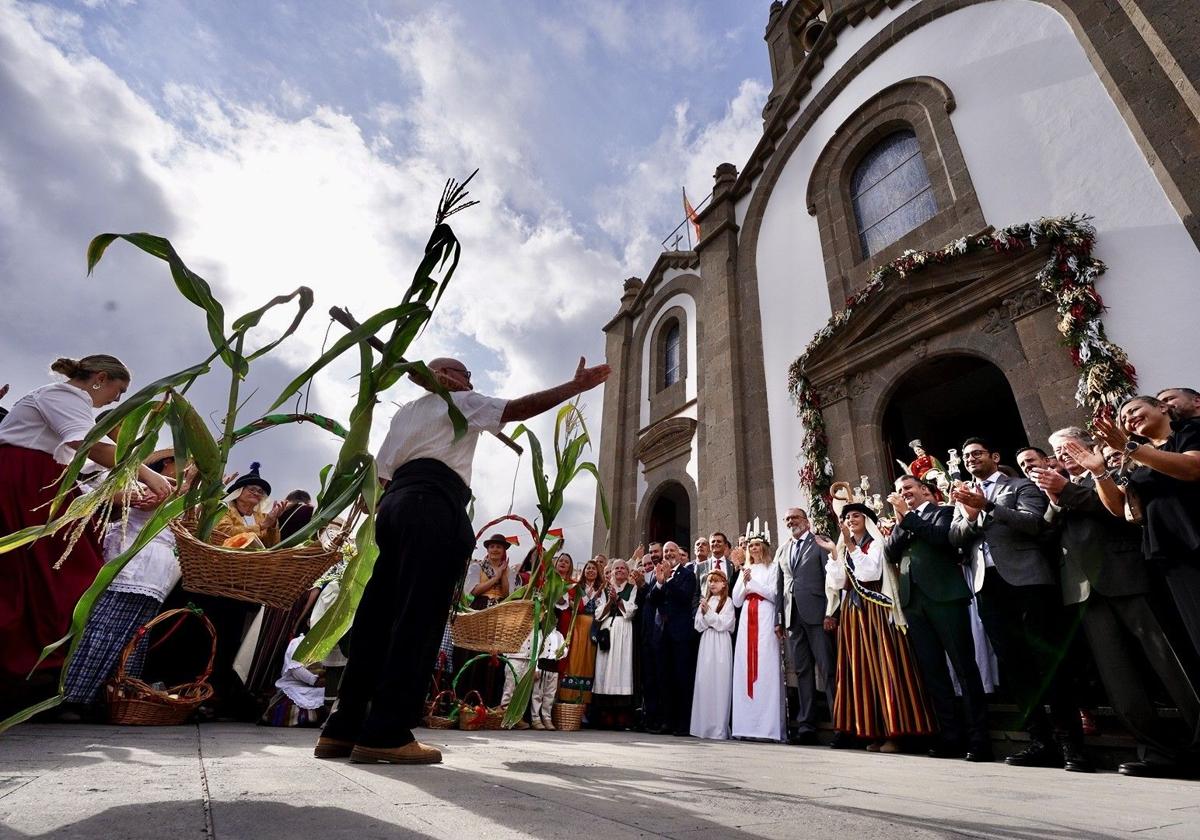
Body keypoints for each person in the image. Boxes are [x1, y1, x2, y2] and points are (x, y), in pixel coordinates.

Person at [315, 355, 609, 765]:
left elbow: (379, 484)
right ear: (448, 377)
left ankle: (342, 728)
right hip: (434, 505)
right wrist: (573, 387)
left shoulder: (405, 416)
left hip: (395, 506)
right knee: (417, 619)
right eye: (466, 376)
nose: (471, 382)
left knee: (377, 616)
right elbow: (518, 408)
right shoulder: (458, 402)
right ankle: (385, 731)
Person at [0, 356, 170, 704]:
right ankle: (32, 671)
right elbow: (87, 444)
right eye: (118, 390)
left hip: (41, 483)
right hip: (25, 482)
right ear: (101, 378)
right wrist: (148, 473)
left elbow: (86, 464)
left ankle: (32, 673)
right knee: (68, 575)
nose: (117, 400)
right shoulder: (63, 397)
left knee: (49, 576)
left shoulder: (68, 403)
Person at [1041, 425, 1200, 778]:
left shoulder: (1114, 467)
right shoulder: (1056, 488)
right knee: (1118, 676)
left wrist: (1067, 490)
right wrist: (1055, 500)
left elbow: (1115, 509)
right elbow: (1044, 532)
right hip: (1084, 589)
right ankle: (1155, 751)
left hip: (1127, 575)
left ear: (1087, 445)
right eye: (1056, 451)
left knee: (1170, 664)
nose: (1063, 455)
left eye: (1067, 447)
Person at [950, 437, 1080, 769]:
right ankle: (1040, 742)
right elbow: (955, 536)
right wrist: (970, 514)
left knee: (1046, 661)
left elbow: (1035, 523)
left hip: (1027, 580)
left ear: (994, 455)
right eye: (966, 456)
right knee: (1015, 665)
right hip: (987, 586)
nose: (971, 459)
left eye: (977, 453)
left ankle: (1071, 745)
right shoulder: (965, 496)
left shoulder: (1021, 485)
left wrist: (988, 506)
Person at [1083, 397, 1200, 674]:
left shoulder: (1188, 432)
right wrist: (1099, 472)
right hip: (1171, 552)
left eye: (1133, 410)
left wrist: (1127, 446)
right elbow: (1117, 506)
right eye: (1123, 419)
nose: (1128, 419)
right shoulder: (1137, 456)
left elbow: (1192, 468)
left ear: (1161, 407)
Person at [60, 449, 181, 715]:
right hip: (130, 564)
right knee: (104, 628)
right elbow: (101, 497)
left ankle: (114, 698)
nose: (189, 467)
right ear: (168, 463)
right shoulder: (138, 484)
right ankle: (74, 696)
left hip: (157, 574)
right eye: (187, 461)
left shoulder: (181, 492)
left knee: (134, 637)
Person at [885, 475, 991, 762]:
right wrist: (901, 521)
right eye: (899, 490)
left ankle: (979, 737)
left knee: (963, 667)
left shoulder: (942, 512)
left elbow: (941, 539)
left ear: (924, 490)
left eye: (908, 488)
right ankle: (950, 735)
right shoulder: (904, 521)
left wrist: (908, 518)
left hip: (944, 596)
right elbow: (890, 552)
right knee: (933, 673)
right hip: (913, 602)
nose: (903, 493)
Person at [820, 503, 935, 752]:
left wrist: (850, 546)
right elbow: (839, 581)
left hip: (876, 610)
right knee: (861, 670)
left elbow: (870, 573)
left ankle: (895, 732)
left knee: (884, 665)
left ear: (867, 519)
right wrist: (834, 553)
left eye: (856, 516)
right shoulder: (845, 547)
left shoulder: (876, 543)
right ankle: (872, 731)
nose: (851, 520)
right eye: (847, 517)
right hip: (853, 613)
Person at [773, 507, 834, 745]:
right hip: (793, 618)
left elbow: (830, 579)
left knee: (827, 668)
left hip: (818, 615)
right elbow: (780, 586)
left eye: (795, 518)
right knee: (802, 671)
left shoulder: (820, 542)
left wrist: (831, 612)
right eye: (787, 519)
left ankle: (839, 721)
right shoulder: (783, 550)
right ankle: (807, 724)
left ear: (806, 521)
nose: (790, 522)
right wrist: (779, 618)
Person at [732, 533, 784, 742]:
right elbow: (736, 600)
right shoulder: (746, 569)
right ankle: (745, 724)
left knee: (765, 666)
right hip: (746, 618)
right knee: (746, 666)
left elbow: (773, 594)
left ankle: (767, 727)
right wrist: (745, 583)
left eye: (757, 545)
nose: (753, 549)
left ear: (764, 547)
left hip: (764, 616)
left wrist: (753, 585)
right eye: (750, 546)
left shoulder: (772, 568)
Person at [649, 541, 698, 736]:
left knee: (681, 679)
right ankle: (667, 721)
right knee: (664, 678)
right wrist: (660, 582)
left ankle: (682, 724)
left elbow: (685, 597)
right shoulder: (659, 573)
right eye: (666, 551)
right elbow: (652, 600)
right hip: (662, 634)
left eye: (672, 551)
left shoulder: (687, 574)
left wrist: (668, 580)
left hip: (681, 634)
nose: (669, 553)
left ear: (679, 554)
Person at [592, 558, 639, 729]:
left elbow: (631, 611)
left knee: (621, 668)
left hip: (624, 629)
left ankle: (621, 714)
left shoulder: (632, 588)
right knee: (605, 668)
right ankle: (605, 714)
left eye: (622, 568)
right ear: (611, 572)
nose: (619, 570)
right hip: (608, 629)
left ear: (627, 572)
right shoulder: (604, 589)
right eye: (616, 568)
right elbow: (598, 614)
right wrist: (610, 602)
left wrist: (618, 600)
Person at [690, 568, 735, 740]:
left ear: (724, 583)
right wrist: (703, 613)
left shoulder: (728, 602)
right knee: (705, 681)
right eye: (710, 581)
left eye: (716, 580)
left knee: (720, 682)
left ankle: (718, 728)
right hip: (707, 642)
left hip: (721, 643)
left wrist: (708, 613)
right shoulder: (706, 601)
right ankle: (703, 726)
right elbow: (698, 625)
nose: (712, 584)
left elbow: (724, 624)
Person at [558, 557, 604, 707]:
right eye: (588, 568)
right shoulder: (577, 587)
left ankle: (584, 704)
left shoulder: (602, 588)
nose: (590, 571)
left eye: (593, 568)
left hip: (593, 626)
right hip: (577, 625)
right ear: (583, 571)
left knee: (589, 662)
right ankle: (567, 699)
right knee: (574, 660)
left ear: (598, 572)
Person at [259, 633, 328, 728]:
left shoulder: (327, 643)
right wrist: (314, 680)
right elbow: (295, 668)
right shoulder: (297, 642)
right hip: (294, 685)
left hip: (318, 687)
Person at [212, 463, 285, 547]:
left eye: (260, 491)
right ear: (239, 492)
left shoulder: (264, 517)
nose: (256, 493)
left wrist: (272, 524)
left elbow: (272, 546)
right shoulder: (224, 509)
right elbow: (223, 532)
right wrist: (261, 526)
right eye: (252, 489)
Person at [633, 542, 663, 732]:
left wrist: (645, 586)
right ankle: (648, 717)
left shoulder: (663, 574)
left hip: (659, 633)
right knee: (647, 680)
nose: (652, 557)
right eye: (650, 554)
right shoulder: (642, 579)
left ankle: (659, 718)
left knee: (659, 678)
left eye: (655, 553)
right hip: (644, 634)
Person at [531, 624, 567, 730]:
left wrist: (562, 652)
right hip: (542, 666)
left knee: (550, 695)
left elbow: (564, 649)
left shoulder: (559, 635)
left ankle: (547, 718)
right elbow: (535, 652)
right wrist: (536, 669)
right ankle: (535, 719)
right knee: (537, 694)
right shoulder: (540, 633)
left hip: (553, 667)